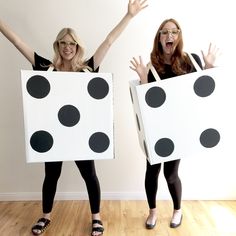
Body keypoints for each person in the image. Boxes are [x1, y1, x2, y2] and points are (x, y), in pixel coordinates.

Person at [0, 1, 148, 235]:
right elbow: (18, 42)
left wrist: (128, 16)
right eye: (63, 43)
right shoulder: (45, 68)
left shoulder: (87, 69)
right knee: (51, 175)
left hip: (82, 135)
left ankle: (96, 218)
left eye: (72, 43)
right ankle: (45, 216)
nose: (67, 47)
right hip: (55, 134)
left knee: (90, 175)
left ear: (77, 46)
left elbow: (108, 41)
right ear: (57, 46)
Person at [130, 18, 220, 230]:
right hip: (156, 129)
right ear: (159, 38)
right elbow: (147, 102)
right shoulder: (152, 66)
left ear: (178, 36)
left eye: (174, 32)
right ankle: (152, 212)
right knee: (151, 172)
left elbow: (203, 93)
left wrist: (207, 68)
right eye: (164, 32)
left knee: (171, 174)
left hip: (178, 130)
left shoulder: (191, 62)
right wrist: (143, 78)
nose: (169, 36)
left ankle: (177, 210)